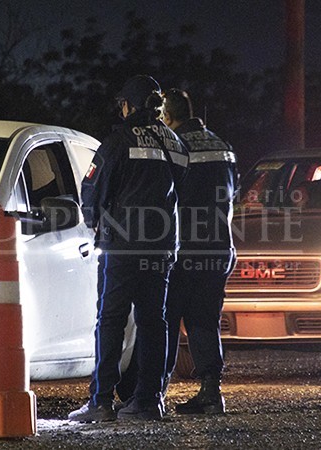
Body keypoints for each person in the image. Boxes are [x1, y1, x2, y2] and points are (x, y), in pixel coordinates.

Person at [68, 75, 189, 422]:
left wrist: (95, 221)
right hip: (162, 247)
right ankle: (149, 401)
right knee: (154, 322)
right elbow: (181, 192)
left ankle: (101, 402)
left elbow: (92, 189)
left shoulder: (119, 140)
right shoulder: (175, 143)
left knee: (111, 320)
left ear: (130, 105)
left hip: (122, 246)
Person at [159, 88, 239, 414]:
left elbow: (166, 195)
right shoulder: (222, 145)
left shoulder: (174, 146)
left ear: (167, 116)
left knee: (167, 319)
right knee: (204, 320)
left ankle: (154, 394)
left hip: (183, 248)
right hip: (220, 246)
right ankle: (210, 390)